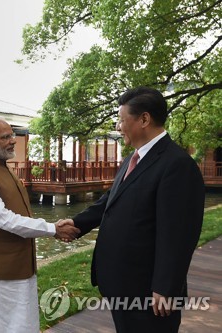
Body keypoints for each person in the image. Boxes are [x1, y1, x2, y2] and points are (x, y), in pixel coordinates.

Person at [58, 87, 205, 332]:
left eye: (121, 120)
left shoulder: (177, 165)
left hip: (149, 291)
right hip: (121, 282)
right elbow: (111, 200)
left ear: (144, 119)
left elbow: (179, 235)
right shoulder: (132, 158)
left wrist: (166, 288)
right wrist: (77, 224)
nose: (118, 127)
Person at [0, 115, 80, 333]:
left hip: (17, 265)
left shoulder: (2, 166)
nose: (13, 140)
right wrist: (52, 228)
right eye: (5, 137)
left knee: (21, 325)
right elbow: (1, 217)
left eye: (12, 135)